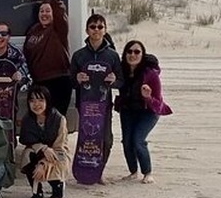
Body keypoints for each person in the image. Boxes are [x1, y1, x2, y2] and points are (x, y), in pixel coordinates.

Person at [70, 14, 123, 182]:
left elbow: (122, 81)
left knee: (106, 140)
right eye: (93, 27)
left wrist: (114, 81)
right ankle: (84, 169)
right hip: (84, 104)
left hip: (104, 105)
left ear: (105, 30)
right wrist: (77, 79)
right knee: (86, 138)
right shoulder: (79, 55)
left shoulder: (112, 56)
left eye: (100, 27)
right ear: (87, 30)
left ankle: (98, 171)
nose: (96, 30)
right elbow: (69, 81)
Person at [116, 40, 172, 184]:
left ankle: (147, 172)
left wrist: (147, 97)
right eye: (129, 51)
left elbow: (158, 102)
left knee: (138, 140)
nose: (133, 55)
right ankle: (133, 171)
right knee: (127, 141)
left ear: (142, 54)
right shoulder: (122, 71)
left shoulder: (150, 74)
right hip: (128, 110)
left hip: (148, 111)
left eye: (137, 52)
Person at [23, 0, 73, 115]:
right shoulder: (33, 31)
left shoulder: (58, 29)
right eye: (41, 11)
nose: (44, 14)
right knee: (39, 118)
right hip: (39, 82)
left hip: (59, 80)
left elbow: (60, 14)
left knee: (56, 119)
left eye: (48, 11)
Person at [18, 86, 70, 198]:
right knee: (27, 155)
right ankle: (37, 193)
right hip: (39, 151)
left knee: (57, 161)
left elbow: (60, 146)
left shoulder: (59, 119)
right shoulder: (27, 119)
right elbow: (26, 140)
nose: (36, 104)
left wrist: (43, 164)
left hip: (57, 152)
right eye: (32, 101)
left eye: (40, 100)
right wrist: (42, 148)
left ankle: (57, 184)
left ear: (47, 101)